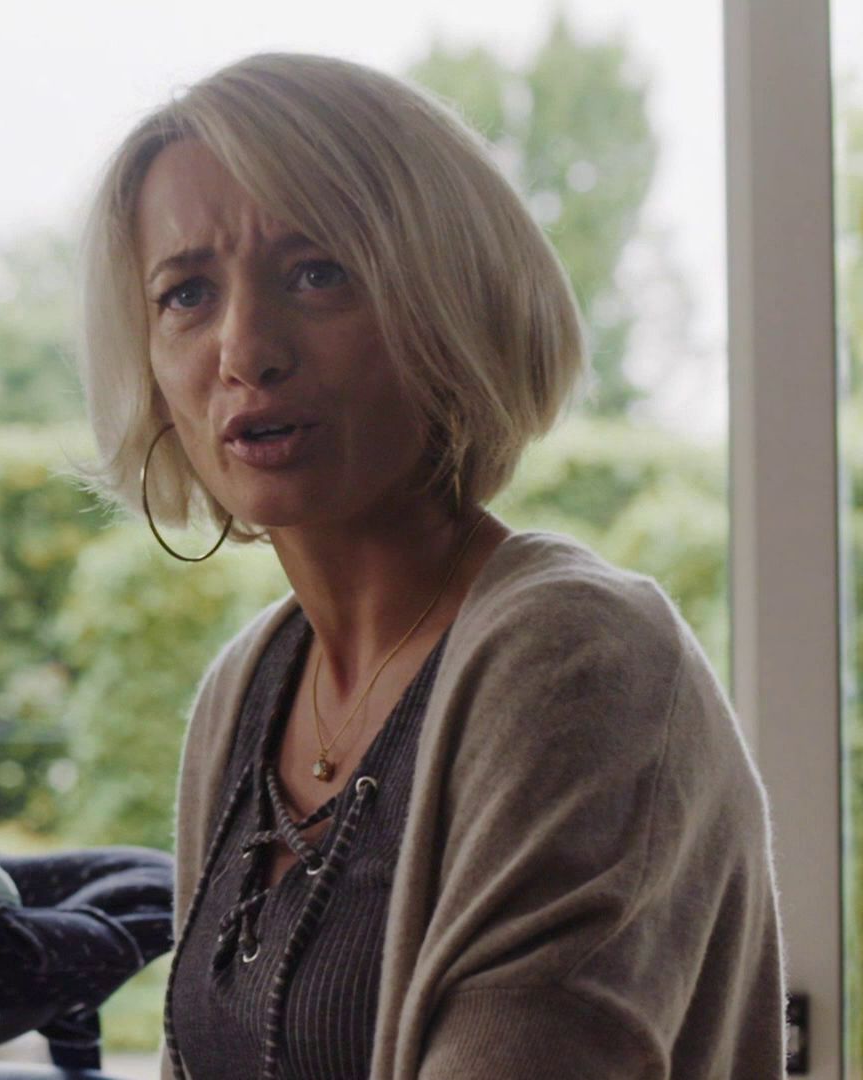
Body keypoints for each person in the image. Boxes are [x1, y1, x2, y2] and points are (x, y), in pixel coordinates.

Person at [70, 52, 783, 1079]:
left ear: (448, 303)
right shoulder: (246, 687)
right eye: (186, 293)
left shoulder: (579, 656)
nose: (245, 349)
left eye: (317, 272)